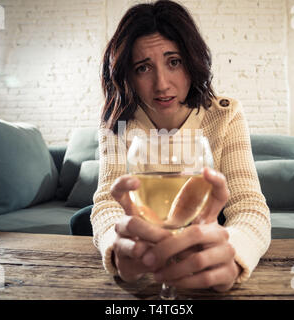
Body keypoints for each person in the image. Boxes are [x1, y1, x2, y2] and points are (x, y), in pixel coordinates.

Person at [89, 0, 271, 292]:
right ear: (129, 76)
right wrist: (117, 247)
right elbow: (108, 204)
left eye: (174, 62)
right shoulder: (117, 123)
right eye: (143, 68)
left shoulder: (226, 115)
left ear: (192, 61)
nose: (162, 84)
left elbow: (249, 207)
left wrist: (233, 257)